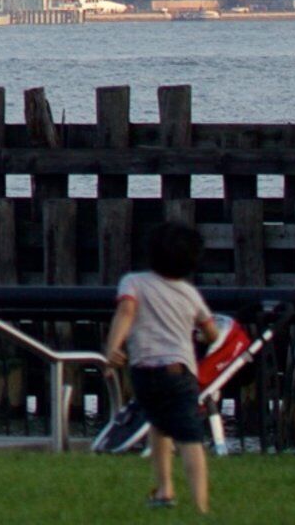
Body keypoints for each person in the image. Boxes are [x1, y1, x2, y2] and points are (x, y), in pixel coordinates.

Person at [103, 219, 218, 514]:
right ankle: (201, 506)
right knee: (190, 436)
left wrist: (113, 348)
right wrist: (200, 333)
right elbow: (211, 332)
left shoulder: (133, 282)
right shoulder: (189, 294)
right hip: (178, 371)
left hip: (143, 372)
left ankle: (165, 489)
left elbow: (126, 311)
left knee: (158, 424)